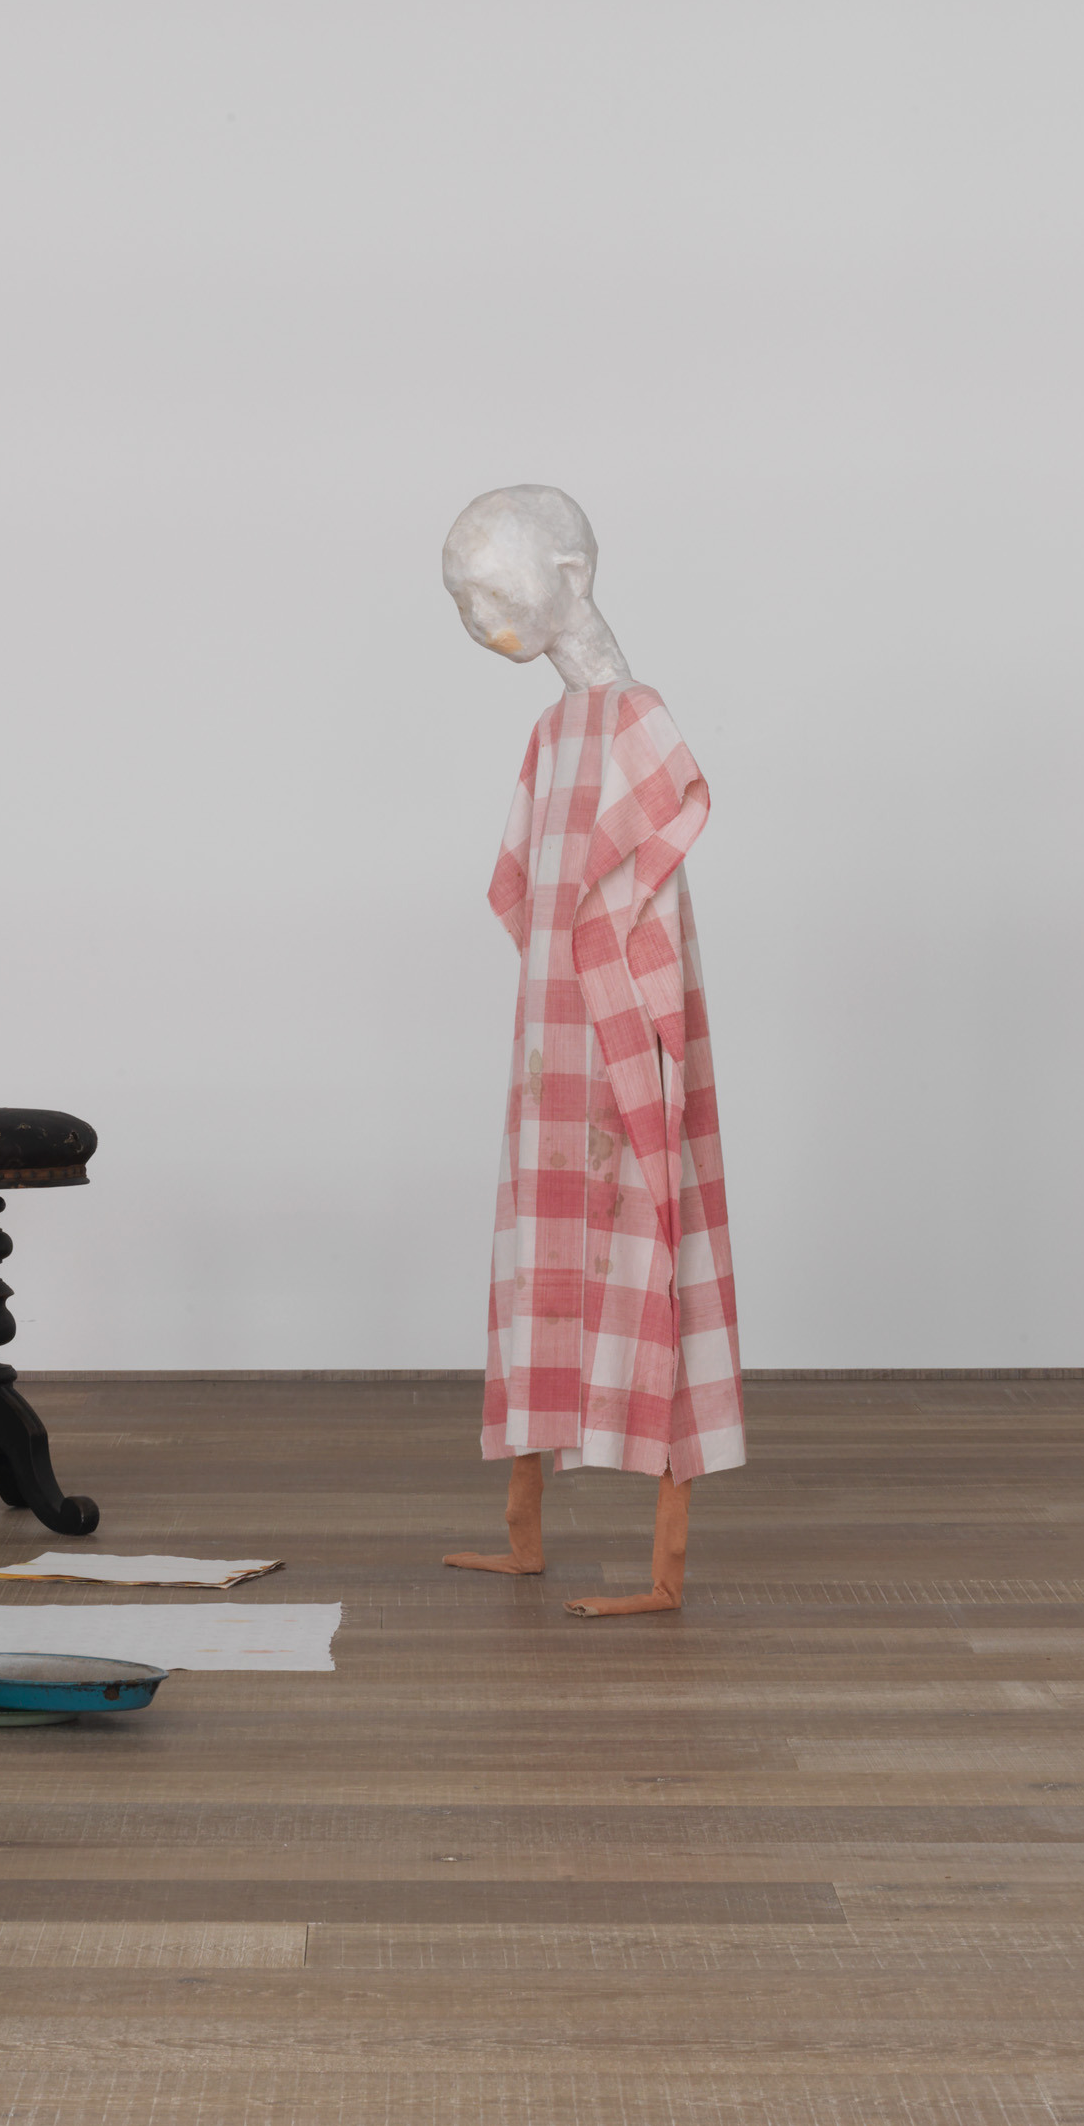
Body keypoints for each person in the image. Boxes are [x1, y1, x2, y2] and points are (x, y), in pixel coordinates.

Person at [438, 487, 743, 1617]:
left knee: (649, 1238)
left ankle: (664, 1565)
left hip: (626, 1025)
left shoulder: (635, 717)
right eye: (460, 600)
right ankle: (523, 1533)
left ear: (570, 572)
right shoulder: (554, 729)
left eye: (490, 589)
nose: (478, 617)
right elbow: (526, 884)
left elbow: (649, 864)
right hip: (552, 1033)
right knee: (544, 1247)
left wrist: (634, 1019)